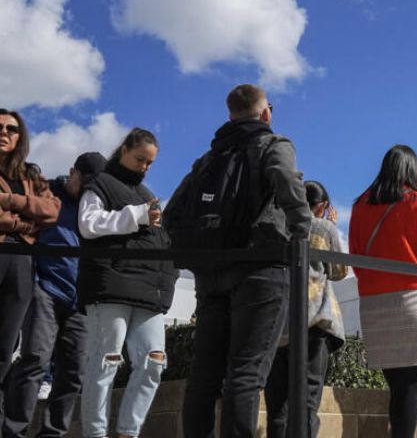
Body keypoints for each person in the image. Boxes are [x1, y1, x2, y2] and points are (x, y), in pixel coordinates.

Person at [168, 84, 312, 438]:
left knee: (204, 375)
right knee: (246, 373)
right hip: (261, 266)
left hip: (212, 271)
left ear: (230, 114)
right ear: (265, 113)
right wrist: (301, 232)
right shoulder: (274, 143)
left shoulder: (210, 157)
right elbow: (286, 181)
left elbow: (173, 212)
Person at [77, 128, 177, 438]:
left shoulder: (147, 194)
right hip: (111, 284)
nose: (144, 167)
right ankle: (95, 434)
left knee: (154, 361)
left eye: (149, 163)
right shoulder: (101, 184)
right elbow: (88, 225)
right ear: (124, 151)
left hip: (149, 290)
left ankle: (127, 432)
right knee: (106, 361)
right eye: (140, 159)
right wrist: (136, 215)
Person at [348, 145, 417, 438]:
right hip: (411, 299)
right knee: (409, 389)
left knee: (397, 386)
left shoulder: (359, 205)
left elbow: (354, 255)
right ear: (412, 170)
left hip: (372, 302)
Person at [3, 152, 105, 437]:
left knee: (74, 372)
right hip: (44, 288)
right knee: (35, 359)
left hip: (80, 299)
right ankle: (13, 431)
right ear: (72, 173)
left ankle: (52, 433)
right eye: (84, 182)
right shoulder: (47, 195)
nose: (87, 189)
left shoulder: (95, 205)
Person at [265, 180, 347, 438]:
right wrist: (331, 227)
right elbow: (338, 272)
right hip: (313, 322)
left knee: (277, 405)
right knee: (308, 403)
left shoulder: (274, 225)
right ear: (321, 206)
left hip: (276, 324)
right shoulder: (322, 227)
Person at [0, 109, 60, 417]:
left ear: (20, 136)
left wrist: (10, 202)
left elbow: (50, 211)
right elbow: (37, 220)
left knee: (5, 348)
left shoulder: (31, 174)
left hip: (22, 262)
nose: (5, 132)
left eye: (12, 128)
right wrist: (28, 224)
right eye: (0, 127)